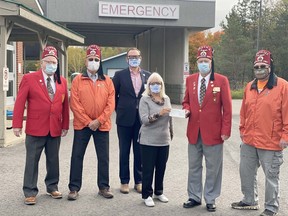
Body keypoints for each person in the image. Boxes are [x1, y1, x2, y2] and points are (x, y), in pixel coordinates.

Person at [231, 50, 288, 216]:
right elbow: (244, 111)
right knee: (246, 172)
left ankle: (271, 207)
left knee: (271, 177)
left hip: (271, 141)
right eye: (256, 66)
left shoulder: (283, 86)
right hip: (249, 140)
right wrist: (242, 129)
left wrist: (285, 136)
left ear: (270, 67)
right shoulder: (250, 86)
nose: (260, 69)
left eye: (263, 66)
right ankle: (249, 200)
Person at [12, 46, 69, 205]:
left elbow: (65, 106)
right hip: (35, 128)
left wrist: (65, 125)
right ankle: (30, 191)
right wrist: (17, 124)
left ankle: (52, 187)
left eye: (54, 62)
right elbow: (19, 102)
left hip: (54, 128)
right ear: (41, 63)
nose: (52, 64)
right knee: (32, 160)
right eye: (48, 62)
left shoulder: (62, 81)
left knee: (53, 160)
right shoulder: (29, 79)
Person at [182, 45, 232, 212]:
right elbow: (186, 101)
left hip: (214, 133)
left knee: (213, 168)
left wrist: (226, 130)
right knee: (194, 166)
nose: (203, 63)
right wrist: (186, 108)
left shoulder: (221, 80)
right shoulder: (190, 80)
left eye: (206, 61)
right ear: (197, 62)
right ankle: (194, 196)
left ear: (211, 62)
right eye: (201, 61)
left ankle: (210, 198)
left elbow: (228, 108)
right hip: (194, 132)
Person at [68, 44, 115, 200]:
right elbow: (74, 104)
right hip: (83, 125)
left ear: (100, 61)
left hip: (102, 125)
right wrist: (88, 122)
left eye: (96, 59)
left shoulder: (107, 81)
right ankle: (74, 188)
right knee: (77, 156)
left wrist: (99, 121)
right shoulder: (77, 80)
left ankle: (104, 187)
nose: (93, 61)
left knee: (103, 157)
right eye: (91, 59)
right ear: (86, 61)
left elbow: (111, 104)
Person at [113, 47, 151, 194]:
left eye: (136, 56)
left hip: (141, 120)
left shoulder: (147, 75)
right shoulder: (119, 75)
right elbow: (113, 96)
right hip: (124, 119)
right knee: (124, 151)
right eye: (131, 56)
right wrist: (120, 110)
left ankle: (139, 181)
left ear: (140, 58)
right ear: (127, 59)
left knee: (139, 151)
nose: (134, 58)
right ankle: (124, 181)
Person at [138, 72, 173, 207]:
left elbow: (170, 118)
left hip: (164, 140)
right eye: (152, 83)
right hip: (148, 140)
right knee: (148, 168)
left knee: (161, 167)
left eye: (158, 83)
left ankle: (159, 191)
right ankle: (147, 194)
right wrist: (159, 113)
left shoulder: (166, 98)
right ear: (148, 85)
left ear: (162, 85)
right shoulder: (144, 99)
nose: (155, 86)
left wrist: (171, 134)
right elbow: (144, 120)